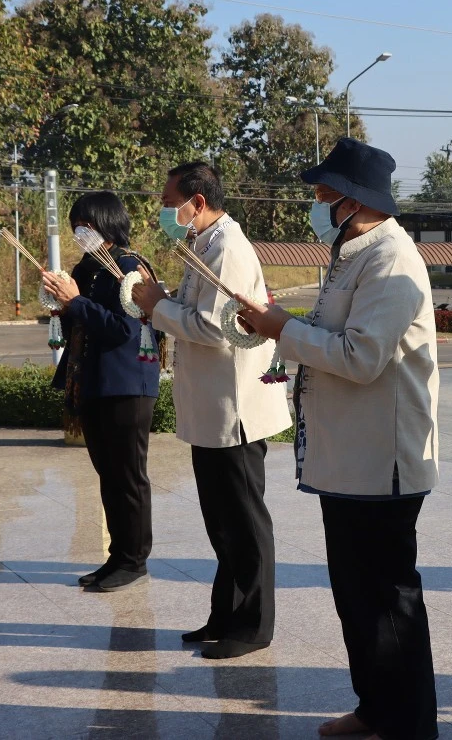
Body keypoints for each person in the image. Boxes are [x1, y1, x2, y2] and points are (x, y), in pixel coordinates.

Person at [234, 138, 440, 740]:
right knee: (355, 595)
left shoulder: (393, 260)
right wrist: (281, 324)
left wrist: (282, 329)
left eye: (324, 194)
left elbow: (362, 357)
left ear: (353, 199)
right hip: (345, 456)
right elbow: (329, 333)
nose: (318, 203)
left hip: (382, 459)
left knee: (390, 601)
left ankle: (409, 724)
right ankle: (375, 707)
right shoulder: (351, 249)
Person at [131, 161, 292, 660]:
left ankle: (254, 625)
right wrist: (159, 303)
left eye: (168, 202)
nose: (164, 213)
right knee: (222, 523)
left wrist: (157, 304)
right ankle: (226, 614)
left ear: (196, 202)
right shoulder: (204, 245)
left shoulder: (228, 249)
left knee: (244, 521)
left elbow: (214, 329)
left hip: (235, 409)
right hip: (212, 408)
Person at [42, 191, 159, 593]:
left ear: (104, 223)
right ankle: (118, 555)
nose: (79, 234)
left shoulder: (129, 268)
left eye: (84, 226)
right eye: (76, 227)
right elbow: (82, 316)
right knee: (108, 475)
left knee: (128, 476)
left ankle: (135, 559)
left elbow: (125, 330)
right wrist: (62, 301)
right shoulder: (89, 266)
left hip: (127, 383)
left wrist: (75, 303)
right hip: (94, 382)